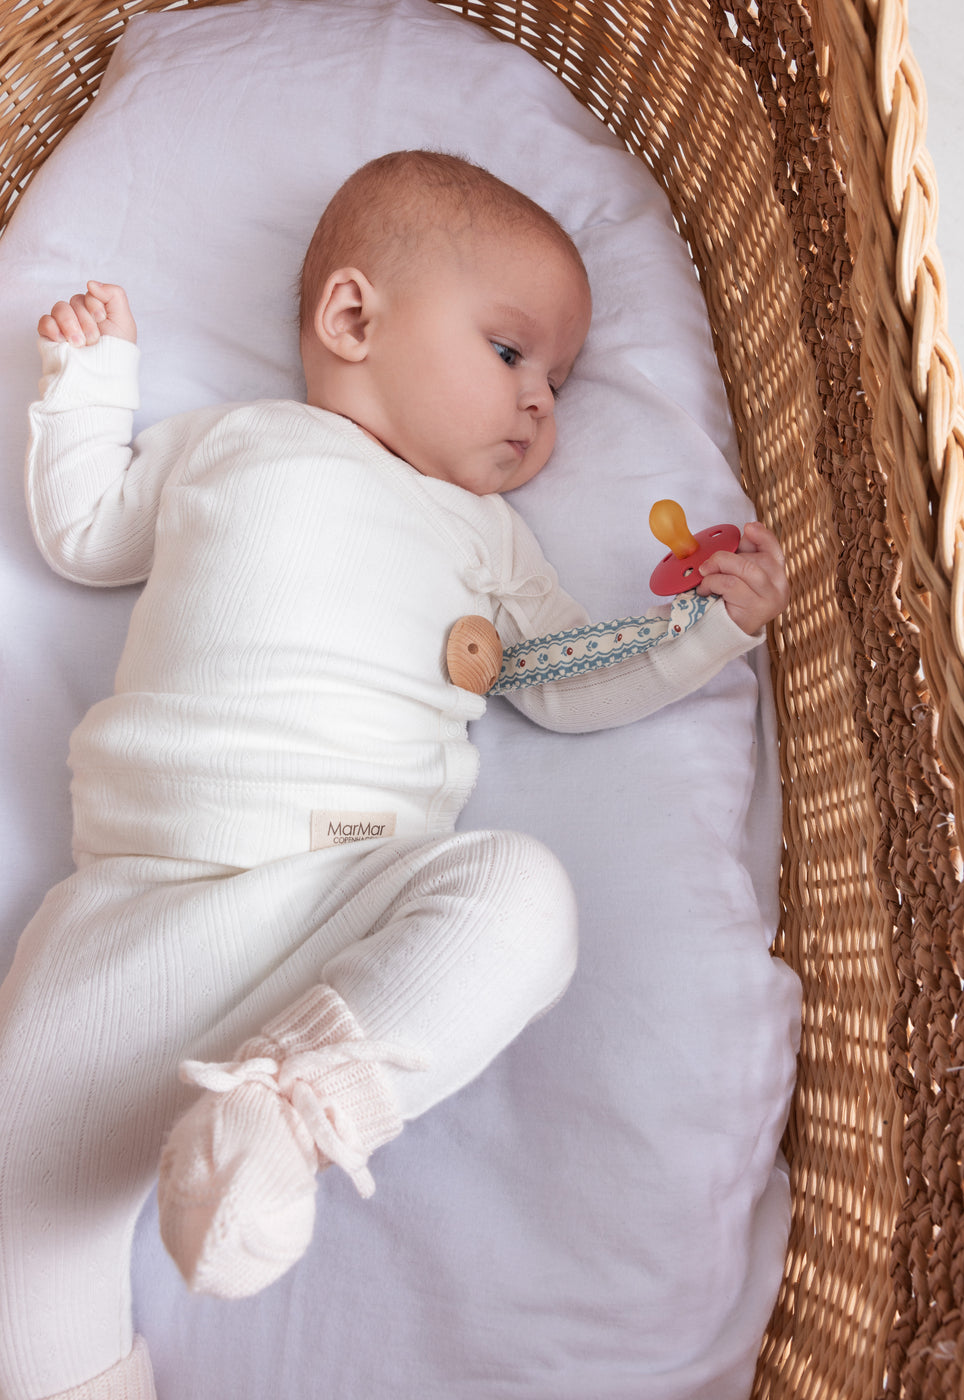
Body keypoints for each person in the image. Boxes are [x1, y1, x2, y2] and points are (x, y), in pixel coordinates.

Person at [0, 150, 788, 1400]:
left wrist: (701, 634)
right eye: (510, 351)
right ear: (353, 317)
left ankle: (293, 1110)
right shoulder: (227, 442)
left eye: (558, 382)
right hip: (134, 911)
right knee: (23, 1231)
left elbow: (558, 673)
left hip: (348, 898)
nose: (540, 404)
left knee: (522, 894)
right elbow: (87, 528)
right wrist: (90, 377)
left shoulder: (485, 537)